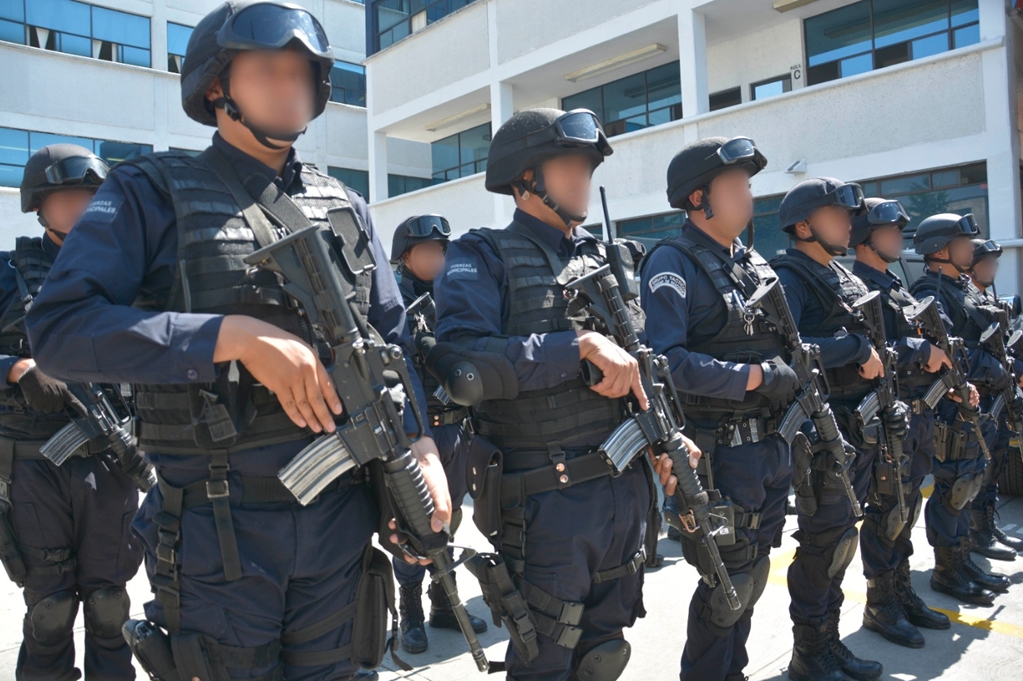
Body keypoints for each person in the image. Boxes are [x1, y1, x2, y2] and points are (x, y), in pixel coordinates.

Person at [25, 3, 451, 680]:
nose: (289, 86)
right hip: (220, 529)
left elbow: (393, 346)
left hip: (339, 520)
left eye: (302, 72)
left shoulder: (347, 206)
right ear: (216, 88)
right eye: (266, 70)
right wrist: (228, 335)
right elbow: (58, 330)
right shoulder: (150, 192)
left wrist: (422, 444)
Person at [430, 107, 692, 681]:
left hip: (623, 491)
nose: (582, 177)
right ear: (525, 178)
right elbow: (460, 364)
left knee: (604, 654)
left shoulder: (606, 259)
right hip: (547, 501)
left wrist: (669, 440)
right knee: (546, 659)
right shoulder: (482, 255)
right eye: (567, 164)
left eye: (587, 166)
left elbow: (639, 367)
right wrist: (575, 348)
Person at [639, 136, 796, 681]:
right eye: (736, 188)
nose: (748, 198)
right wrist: (751, 377)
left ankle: (734, 672)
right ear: (698, 199)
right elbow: (664, 362)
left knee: (751, 576)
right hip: (718, 456)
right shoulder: (671, 262)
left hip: (769, 449)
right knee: (725, 587)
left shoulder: (750, 264)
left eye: (748, 187)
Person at [0, 144, 143, 681]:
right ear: (39, 206)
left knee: (110, 604)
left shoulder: (131, 279)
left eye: (91, 199)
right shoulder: (7, 274)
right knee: (50, 609)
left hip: (110, 461)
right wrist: (16, 369)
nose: (80, 210)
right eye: (66, 200)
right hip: (32, 465)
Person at [771, 178, 883, 681]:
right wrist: (853, 351)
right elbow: (788, 351)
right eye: (836, 215)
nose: (847, 223)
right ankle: (809, 652)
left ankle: (828, 642)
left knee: (843, 539)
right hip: (826, 432)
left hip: (861, 425)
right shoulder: (789, 277)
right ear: (803, 225)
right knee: (823, 544)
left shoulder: (840, 275)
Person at [850, 197, 960, 648]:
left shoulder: (896, 283)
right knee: (887, 511)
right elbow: (870, 349)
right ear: (865, 237)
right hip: (887, 419)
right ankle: (881, 603)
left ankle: (900, 591)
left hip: (915, 414)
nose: (899, 237)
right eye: (890, 230)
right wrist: (919, 352)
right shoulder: (857, 286)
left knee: (907, 506)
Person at [388, 215, 488, 654]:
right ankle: (409, 606)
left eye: (441, 250)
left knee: (451, 518)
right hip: (417, 432)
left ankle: (444, 601)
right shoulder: (392, 303)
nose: (437, 258)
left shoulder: (452, 295)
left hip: (457, 428)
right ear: (406, 257)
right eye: (427, 250)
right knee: (414, 522)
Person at [909, 214, 1011, 604]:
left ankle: (961, 556)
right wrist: (993, 370)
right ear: (940, 250)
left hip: (978, 401)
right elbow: (952, 352)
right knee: (954, 486)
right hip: (955, 408)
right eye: (963, 242)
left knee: (971, 481)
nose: (972, 248)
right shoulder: (930, 292)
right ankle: (946, 569)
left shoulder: (960, 287)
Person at [965, 238, 1023, 559]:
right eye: (987, 263)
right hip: (977, 399)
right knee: (975, 471)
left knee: (995, 464)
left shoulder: (985, 298)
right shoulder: (963, 300)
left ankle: (986, 527)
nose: (993, 269)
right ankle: (975, 535)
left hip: (996, 396)